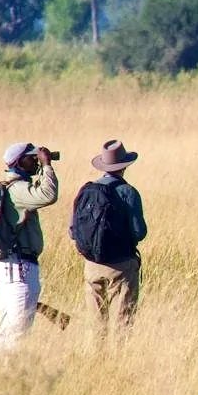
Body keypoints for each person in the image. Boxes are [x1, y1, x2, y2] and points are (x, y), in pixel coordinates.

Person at [72, 140, 148, 339]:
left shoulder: (87, 191)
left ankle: (94, 363)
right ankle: (118, 363)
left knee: (96, 324)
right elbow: (139, 232)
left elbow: (73, 230)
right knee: (123, 322)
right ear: (124, 167)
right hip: (121, 265)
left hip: (91, 265)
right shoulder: (128, 192)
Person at [0, 141, 59, 353]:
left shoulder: (12, 187)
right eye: (32, 158)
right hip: (19, 267)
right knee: (17, 333)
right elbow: (48, 195)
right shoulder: (18, 189)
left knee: (6, 330)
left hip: (9, 265)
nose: (35, 161)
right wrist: (47, 166)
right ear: (20, 162)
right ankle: (10, 378)